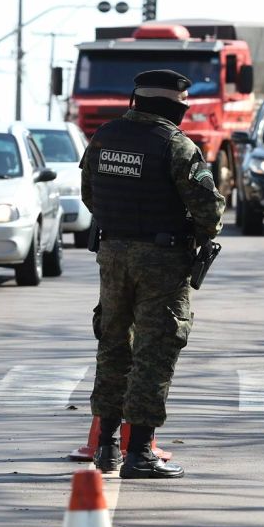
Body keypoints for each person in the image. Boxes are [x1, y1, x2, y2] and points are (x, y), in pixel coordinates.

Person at [79, 69, 225, 479]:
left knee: (112, 344)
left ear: (135, 100)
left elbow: (90, 195)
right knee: (154, 350)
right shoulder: (176, 145)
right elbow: (209, 213)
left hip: (112, 254)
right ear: (176, 108)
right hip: (162, 259)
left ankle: (107, 446)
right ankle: (140, 451)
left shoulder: (104, 137)